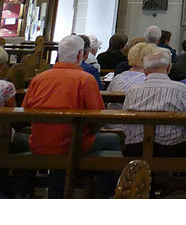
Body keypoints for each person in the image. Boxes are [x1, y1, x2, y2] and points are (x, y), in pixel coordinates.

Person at [21, 34, 122, 197]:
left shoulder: (39, 79)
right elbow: (97, 117)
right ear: (81, 55)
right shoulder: (85, 79)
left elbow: (25, 111)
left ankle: (24, 194)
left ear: (59, 55)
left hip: (39, 141)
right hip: (73, 143)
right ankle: (104, 195)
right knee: (114, 140)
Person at [122, 48, 186, 157]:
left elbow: (125, 120)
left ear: (145, 70)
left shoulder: (132, 90)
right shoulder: (180, 89)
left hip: (136, 148)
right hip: (172, 149)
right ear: (169, 68)